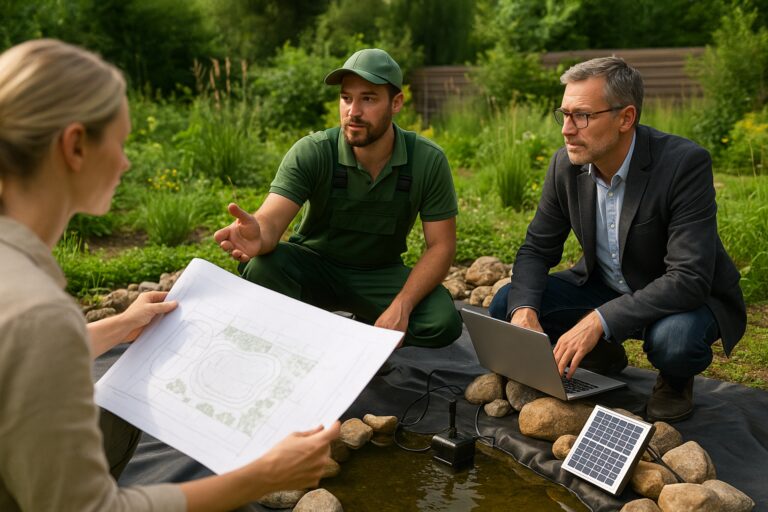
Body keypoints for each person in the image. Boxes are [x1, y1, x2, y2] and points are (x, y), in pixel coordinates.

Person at [0, 39, 339, 512]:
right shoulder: (38, 309)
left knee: (115, 406)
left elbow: (20, 349)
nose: (126, 163)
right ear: (75, 146)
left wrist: (121, 324)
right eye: (120, 143)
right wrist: (264, 474)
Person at [489, 57, 746, 423]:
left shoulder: (683, 164)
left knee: (675, 342)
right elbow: (536, 249)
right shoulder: (565, 165)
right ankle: (603, 355)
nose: (566, 130)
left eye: (582, 116)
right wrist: (524, 313)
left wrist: (599, 320)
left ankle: (675, 382)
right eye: (564, 115)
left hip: (681, 299)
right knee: (507, 303)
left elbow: (689, 278)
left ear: (626, 118)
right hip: (606, 285)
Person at [215, 48, 462, 348]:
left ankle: (357, 330)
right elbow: (271, 219)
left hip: (378, 275)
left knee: (442, 321)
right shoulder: (314, 151)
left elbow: (441, 246)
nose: (353, 111)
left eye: (368, 99)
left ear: (396, 103)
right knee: (261, 269)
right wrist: (259, 233)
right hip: (315, 269)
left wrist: (402, 306)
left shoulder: (427, 160)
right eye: (346, 98)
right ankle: (320, 341)